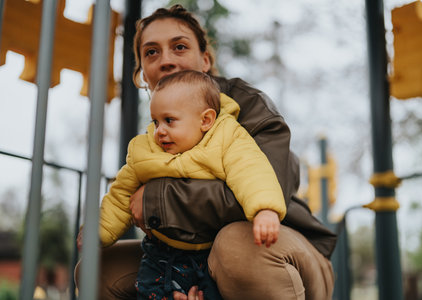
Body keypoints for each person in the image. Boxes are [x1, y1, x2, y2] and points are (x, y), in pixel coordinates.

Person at [76, 4, 337, 300]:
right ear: (142, 75)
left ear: (205, 61)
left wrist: (156, 201)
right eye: (151, 52)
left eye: (179, 46)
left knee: (235, 247)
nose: (165, 60)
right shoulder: (154, 137)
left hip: (278, 247)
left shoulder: (248, 110)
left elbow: (264, 185)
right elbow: (122, 192)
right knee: (96, 269)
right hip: (186, 255)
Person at [86, 69, 286, 299]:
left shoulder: (226, 138)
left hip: (210, 253)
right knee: (152, 293)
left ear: (205, 120)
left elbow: (250, 170)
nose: (159, 131)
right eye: (156, 121)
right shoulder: (144, 149)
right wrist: (99, 230)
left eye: (169, 120)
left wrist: (265, 209)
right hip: (159, 253)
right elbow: (121, 192)